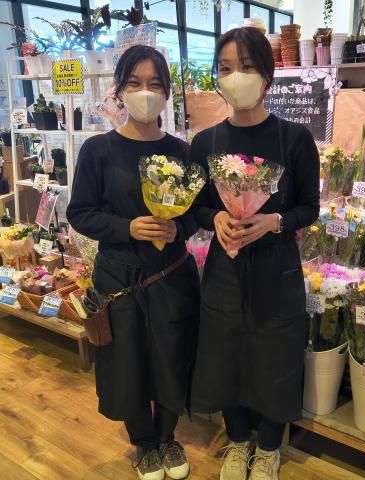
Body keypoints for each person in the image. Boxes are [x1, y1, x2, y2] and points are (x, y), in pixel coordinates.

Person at [190, 27, 320, 480]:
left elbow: (310, 207)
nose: (236, 77)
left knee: (275, 356)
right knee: (225, 352)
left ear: (266, 75)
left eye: (246, 66)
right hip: (224, 267)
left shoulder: (294, 139)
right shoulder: (206, 143)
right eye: (225, 68)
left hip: (276, 266)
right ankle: (238, 440)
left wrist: (274, 221)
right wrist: (215, 218)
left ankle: (268, 447)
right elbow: (195, 206)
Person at [67, 45, 199, 480]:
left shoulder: (183, 152)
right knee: (127, 362)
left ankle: (168, 436)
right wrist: (127, 227)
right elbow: (80, 212)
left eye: (155, 84)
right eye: (135, 83)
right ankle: (144, 442)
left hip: (172, 275)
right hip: (119, 278)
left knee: (172, 355)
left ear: (167, 93)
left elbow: (197, 213)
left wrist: (178, 228)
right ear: (119, 90)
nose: (146, 92)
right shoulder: (98, 150)